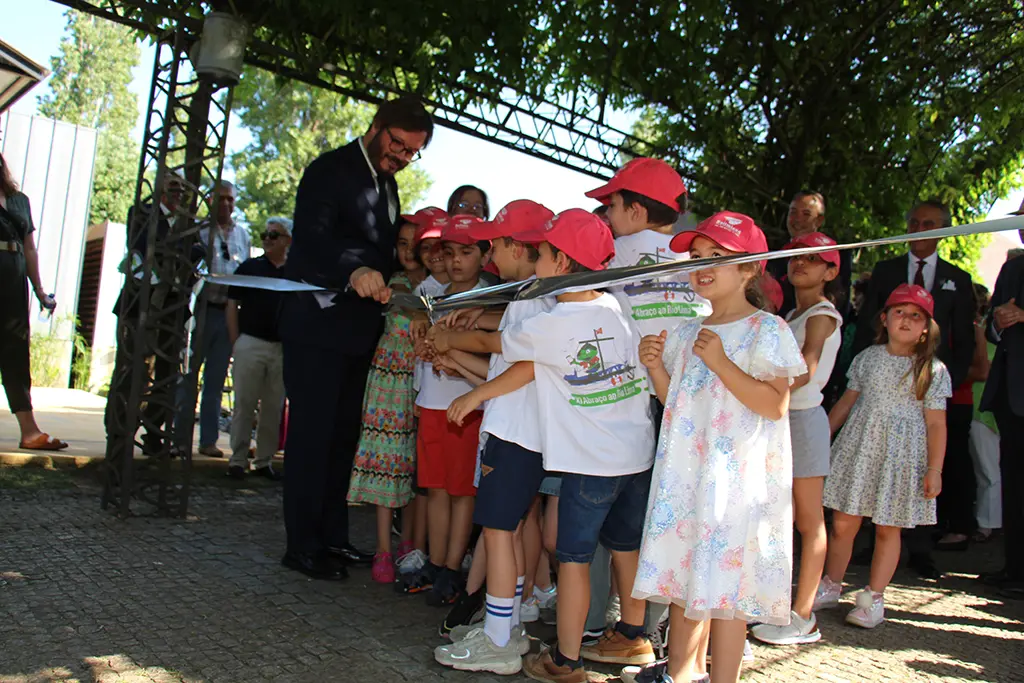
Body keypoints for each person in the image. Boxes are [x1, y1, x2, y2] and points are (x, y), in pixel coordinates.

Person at [449, 209, 656, 683]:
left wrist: (449, 339)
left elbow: (494, 343)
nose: (536, 259)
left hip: (591, 461)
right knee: (626, 548)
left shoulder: (556, 320)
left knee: (574, 561)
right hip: (637, 455)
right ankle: (633, 635)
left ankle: (566, 661)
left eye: (541, 253)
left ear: (561, 262)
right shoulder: (616, 306)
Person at [633, 211, 806, 683]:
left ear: (750, 268)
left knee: (728, 595)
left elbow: (774, 404)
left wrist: (722, 362)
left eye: (717, 256)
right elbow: (677, 405)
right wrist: (656, 368)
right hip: (689, 478)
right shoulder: (687, 331)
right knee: (687, 582)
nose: (702, 265)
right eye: (697, 256)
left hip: (735, 486)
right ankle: (682, 674)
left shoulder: (768, 330)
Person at [279, 96, 434, 581]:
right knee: (311, 438)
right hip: (316, 327)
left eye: (412, 152)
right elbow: (313, 240)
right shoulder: (329, 170)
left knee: (343, 439)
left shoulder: (388, 186)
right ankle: (302, 546)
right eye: (397, 144)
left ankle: (332, 536)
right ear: (377, 126)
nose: (401, 157)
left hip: (356, 335)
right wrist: (356, 269)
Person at [583, 157, 709, 660]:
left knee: (610, 516)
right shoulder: (697, 262)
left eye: (612, 205)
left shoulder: (610, 255)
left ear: (635, 211)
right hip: (688, 407)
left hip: (625, 406)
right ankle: (654, 628)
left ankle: (599, 624)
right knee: (668, 516)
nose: (607, 216)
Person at [428, 200, 555, 675]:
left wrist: (455, 347)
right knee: (509, 531)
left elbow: (521, 368)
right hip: (515, 430)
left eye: (496, 244)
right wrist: (456, 363)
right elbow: (502, 374)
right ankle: (508, 625)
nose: (491, 254)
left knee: (500, 534)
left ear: (519, 248)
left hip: (516, 436)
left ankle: (498, 641)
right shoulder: (528, 300)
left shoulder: (533, 302)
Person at [853, 200, 975, 579]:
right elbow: (867, 324)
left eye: (929, 224)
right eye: (914, 223)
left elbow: (963, 338)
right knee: (878, 461)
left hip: (929, 390)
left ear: (943, 231)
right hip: (882, 384)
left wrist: (943, 379)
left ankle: (921, 549)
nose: (920, 229)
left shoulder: (958, 278)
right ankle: (872, 542)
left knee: (925, 466)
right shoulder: (886, 270)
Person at [819, 284, 951, 627]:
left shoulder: (932, 369)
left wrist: (934, 468)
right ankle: (831, 584)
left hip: (902, 457)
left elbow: (936, 423)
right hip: (860, 448)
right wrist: (823, 437)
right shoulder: (868, 357)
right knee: (844, 522)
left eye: (916, 316)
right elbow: (846, 403)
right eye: (899, 312)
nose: (906, 320)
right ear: (884, 318)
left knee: (887, 528)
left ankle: (872, 599)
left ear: (926, 328)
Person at [751, 233, 843, 647]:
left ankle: (803, 615)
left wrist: (754, 388)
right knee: (778, 517)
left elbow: (807, 367)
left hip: (803, 419)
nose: (800, 264)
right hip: (783, 418)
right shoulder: (792, 313)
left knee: (809, 520)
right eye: (795, 257)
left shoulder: (821, 315)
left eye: (813, 259)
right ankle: (773, 604)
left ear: (831, 272)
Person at [410, 215, 491, 605]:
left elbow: (493, 354)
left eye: (466, 252)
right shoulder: (430, 294)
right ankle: (436, 562)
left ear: (485, 255)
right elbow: (421, 347)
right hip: (431, 402)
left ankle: (453, 569)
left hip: (468, 406)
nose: (456, 260)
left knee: (462, 491)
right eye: (450, 252)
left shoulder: (491, 299)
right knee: (436, 488)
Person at [346, 214, 425, 583]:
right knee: (387, 462)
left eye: (416, 244)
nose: (408, 251)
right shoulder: (388, 281)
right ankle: (382, 548)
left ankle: (409, 543)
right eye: (402, 243)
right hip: (386, 384)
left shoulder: (440, 285)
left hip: (424, 380)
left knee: (415, 466)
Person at [107, 172, 202, 457]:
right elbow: (143, 246)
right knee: (132, 370)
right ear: (160, 187)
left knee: (167, 374)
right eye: (173, 186)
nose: (178, 192)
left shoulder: (189, 223)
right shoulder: (142, 213)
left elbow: (198, 253)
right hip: (139, 306)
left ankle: (154, 432)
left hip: (173, 310)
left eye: (182, 188)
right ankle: (119, 433)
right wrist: (177, 256)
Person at [179, 180, 251, 458]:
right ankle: (180, 439)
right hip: (200, 310)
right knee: (188, 378)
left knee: (215, 381)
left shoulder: (242, 235)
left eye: (230, 199)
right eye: (220, 198)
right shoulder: (197, 231)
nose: (226, 204)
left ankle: (208, 441)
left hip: (228, 312)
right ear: (209, 200)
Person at [0, 151, 65, 451]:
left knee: (15, 350)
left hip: (14, 276)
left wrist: (39, 290)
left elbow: (29, 248)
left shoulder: (19, 201)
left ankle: (29, 432)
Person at [224, 217, 292, 481]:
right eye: (265, 235)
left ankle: (264, 461)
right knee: (244, 404)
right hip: (250, 343)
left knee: (273, 407)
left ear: (287, 240)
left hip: (282, 348)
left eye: (274, 235)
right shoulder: (249, 267)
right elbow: (232, 303)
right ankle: (237, 460)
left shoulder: (295, 272)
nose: (267, 239)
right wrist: (236, 341)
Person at [978, 221, 1024, 595]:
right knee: (1014, 482)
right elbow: (991, 326)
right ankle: (1015, 569)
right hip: (1012, 393)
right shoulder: (1012, 268)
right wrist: (997, 321)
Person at [768, 191, 853, 319]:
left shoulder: (836, 255)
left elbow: (841, 303)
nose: (797, 219)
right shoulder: (774, 253)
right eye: (793, 212)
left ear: (819, 220)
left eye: (806, 214)